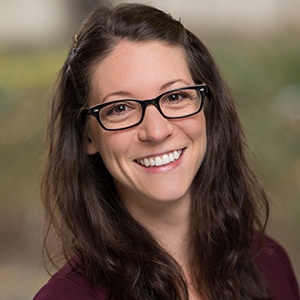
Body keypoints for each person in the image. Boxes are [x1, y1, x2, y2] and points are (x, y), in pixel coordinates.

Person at [33, 3, 299, 300]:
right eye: (120, 108)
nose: (156, 132)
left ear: (208, 109)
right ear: (88, 136)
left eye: (175, 96)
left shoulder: (270, 262)